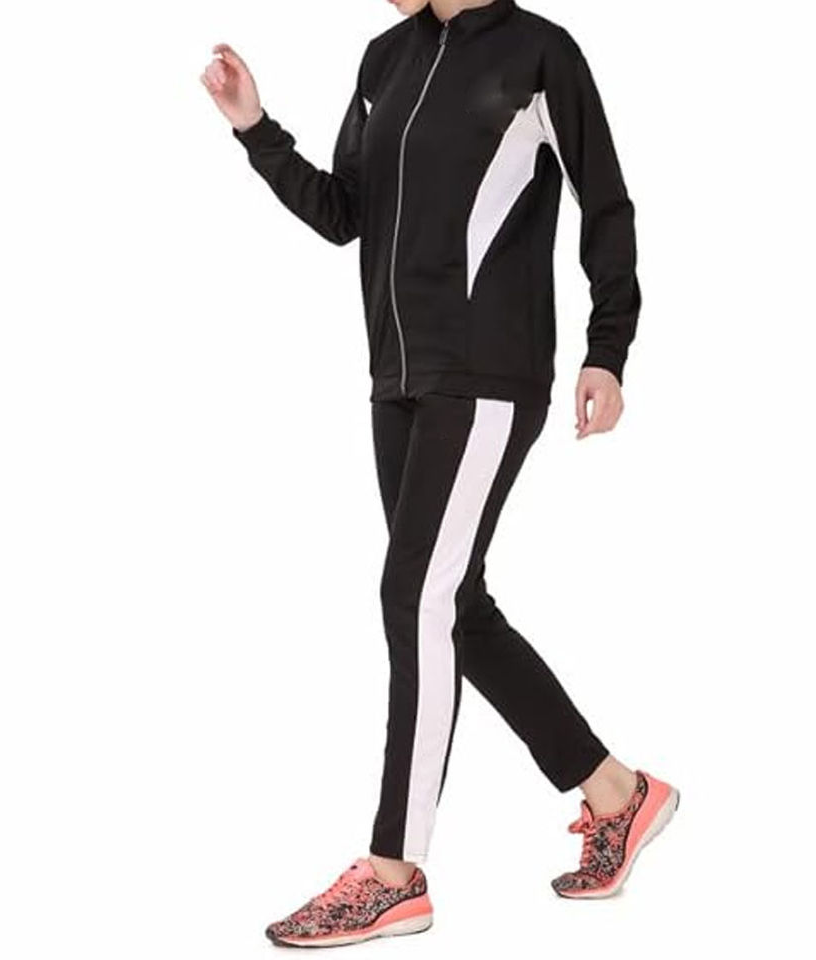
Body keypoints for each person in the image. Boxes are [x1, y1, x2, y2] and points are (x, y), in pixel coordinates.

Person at [201, 0, 678, 947]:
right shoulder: (385, 59)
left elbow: (607, 202)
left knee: (413, 596)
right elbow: (345, 213)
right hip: (398, 379)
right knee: (452, 605)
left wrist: (608, 350)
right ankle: (617, 792)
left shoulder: (540, 53)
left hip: (488, 372)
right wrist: (256, 128)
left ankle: (392, 872)